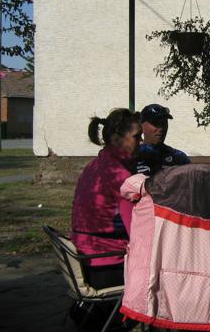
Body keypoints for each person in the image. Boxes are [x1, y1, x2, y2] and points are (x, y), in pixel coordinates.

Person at [71, 108, 141, 290]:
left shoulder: (93, 166)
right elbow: (137, 230)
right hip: (107, 265)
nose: (141, 142)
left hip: (83, 260)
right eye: (136, 137)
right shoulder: (120, 176)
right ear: (117, 139)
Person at [133, 103, 190, 176]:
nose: (161, 128)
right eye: (155, 123)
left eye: (164, 123)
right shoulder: (133, 156)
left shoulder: (178, 157)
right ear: (141, 125)